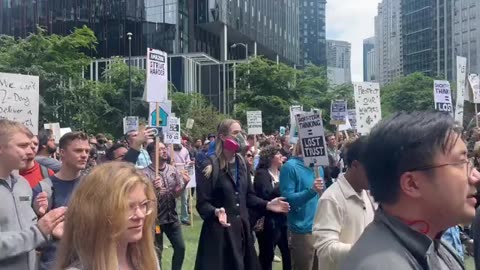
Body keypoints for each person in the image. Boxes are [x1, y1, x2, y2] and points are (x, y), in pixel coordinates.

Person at [341, 111, 478, 270]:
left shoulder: (433, 244)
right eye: (461, 163)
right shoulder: (380, 265)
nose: (475, 175)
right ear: (412, 184)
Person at [195, 119, 290, 270]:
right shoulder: (209, 165)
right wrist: (216, 211)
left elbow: (249, 196)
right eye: (235, 133)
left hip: (242, 233)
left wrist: (267, 204)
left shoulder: (242, 163)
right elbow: (202, 203)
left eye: (241, 132)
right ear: (222, 137)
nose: (239, 137)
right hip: (220, 236)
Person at [54, 162, 160, 270]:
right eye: (127, 207)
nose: (140, 215)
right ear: (97, 212)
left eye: (144, 205)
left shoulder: (147, 260)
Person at [0, 119, 66, 270]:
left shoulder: (22, 184)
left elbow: (28, 234)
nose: (31, 152)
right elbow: (32, 234)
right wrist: (38, 231)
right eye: (22, 146)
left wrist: (49, 231)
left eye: (31, 145)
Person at [313, 137, 375, 270]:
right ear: (355, 165)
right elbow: (325, 249)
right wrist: (366, 249)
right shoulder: (331, 199)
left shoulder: (369, 195)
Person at [33, 131, 91, 270]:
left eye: (87, 151)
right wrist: (40, 214)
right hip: (54, 263)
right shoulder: (43, 188)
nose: (84, 155)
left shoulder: (93, 185)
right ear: (62, 153)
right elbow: (33, 237)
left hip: (88, 260)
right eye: (78, 150)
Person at [144, 141, 189, 270]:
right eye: (160, 149)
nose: (165, 151)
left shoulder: (173, 170)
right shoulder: (145, 173)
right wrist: (153, 189)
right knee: (157, 253)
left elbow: (176, 194)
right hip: (155, 220)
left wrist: (184, 185)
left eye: (165, 149)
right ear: (152, 154)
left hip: (172, 218)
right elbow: (143, 198)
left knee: (180, 248)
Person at [279, 143, 325, 270]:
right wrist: (311, 191)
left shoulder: (318, 167)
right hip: (302, 231)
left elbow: (322, 196)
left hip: (320, 228)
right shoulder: (290, 167)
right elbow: (287, 199)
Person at [254, 146, 291, 270]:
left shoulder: (282, 173)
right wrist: (284, 184)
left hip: (283, 219)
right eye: (277, 153)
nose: (281, 156)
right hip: (267, 221)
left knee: (287, 253)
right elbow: (267, 194)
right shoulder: (262, 174)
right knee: (267, 255)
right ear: (270, 158)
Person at [173, 143, 192, 226]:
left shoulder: (184, 150)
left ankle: (184, 218)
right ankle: (174, 217)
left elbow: (188, 161)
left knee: (184, 197)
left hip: (183, 176)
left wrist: (190, 163)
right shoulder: (169, 149)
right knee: (173, 198)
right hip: (172, 176)